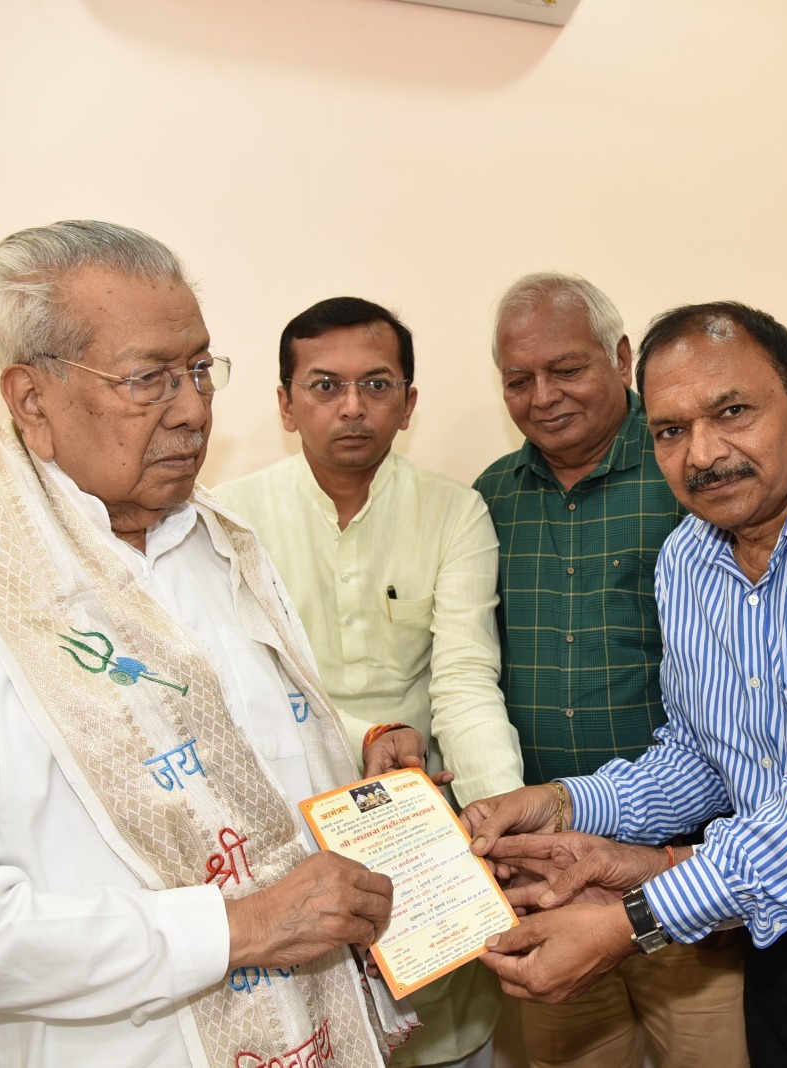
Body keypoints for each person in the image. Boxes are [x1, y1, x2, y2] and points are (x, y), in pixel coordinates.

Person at [0, 221, 409, 1068]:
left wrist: (356, 750)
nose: (195, 408)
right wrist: (233, 928)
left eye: (201, 369)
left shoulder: (224, 543)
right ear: (31, 398)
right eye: (148, 379)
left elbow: (233, 744)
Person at [467, 302, 787, 1067]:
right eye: (671, 431)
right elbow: (700, 758)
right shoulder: (687, 558)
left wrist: (635, 919)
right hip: (776, 942)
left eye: (733, 412)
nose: (704, 454)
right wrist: (560, 804)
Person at [214, 296, 523, 1068]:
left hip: (418, 826)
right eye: (324, 385)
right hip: (278, 827)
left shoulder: (456, 513)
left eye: (377, 385)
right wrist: (372, 735)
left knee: (438, 1031)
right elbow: (239, 690)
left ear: (409, 403)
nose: (352, 407)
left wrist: (501, 819)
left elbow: (464, 680)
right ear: (286, 406)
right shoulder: (227, 520)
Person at [472, 275, 747, 1068]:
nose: (543, 396)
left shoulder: (692, 473)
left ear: (621, 357)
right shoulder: (491, 497)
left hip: (686, 868)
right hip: (543, 877)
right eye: (518, 380)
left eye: (566, 369)